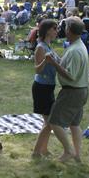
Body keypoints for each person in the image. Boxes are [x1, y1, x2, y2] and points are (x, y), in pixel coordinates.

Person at [45, 17, 89, 162]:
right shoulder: (77, 45)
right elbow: (69, 66)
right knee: (74, 124)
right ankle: (77, 155)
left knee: (54, 121)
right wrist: (57, 59)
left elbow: (71, 75)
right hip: (80, 90)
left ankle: (68, 151)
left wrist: (53, 63)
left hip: (73, 91)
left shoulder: (76, 50)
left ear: (69, 30)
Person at [31, 19, 59, 158]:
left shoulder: (49, 46)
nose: (57, 31)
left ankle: (44, 149)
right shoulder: (40, 47)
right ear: (48, 30)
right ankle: (36, 151)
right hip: (41, 87)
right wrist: (45, 61)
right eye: (55, 29)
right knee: (49, 122)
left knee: (47, 122)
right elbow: (37, 69)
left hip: (49, 86)